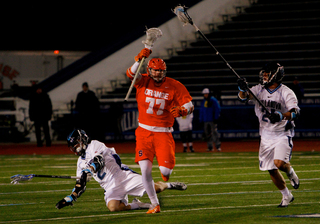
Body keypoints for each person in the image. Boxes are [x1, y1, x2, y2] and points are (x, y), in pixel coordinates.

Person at [126, 48, 193, 213]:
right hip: (144, 132)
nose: (157, 73)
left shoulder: (174, 85)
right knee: (145, 170)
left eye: (160, 71)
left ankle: (166, 183)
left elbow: (189, 104)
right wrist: (138, 59)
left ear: (165, 71)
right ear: (149, 69)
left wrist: (183, 111)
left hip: (163, 132)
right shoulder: (142, 81)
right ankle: (154, 204)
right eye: (154, 70)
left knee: (165, 171)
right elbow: (130, 74)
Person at [55, 129, 187, 212]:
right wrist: (70, 197)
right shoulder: (80, 162)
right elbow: (80, 185)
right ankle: (141, 205)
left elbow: (99, 160)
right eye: (73, 147)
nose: (75, 149)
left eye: (76, 145)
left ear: (82, 139)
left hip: (122, 176)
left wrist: (88, 170)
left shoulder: (94, 145)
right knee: (113, 207)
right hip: (110, 186)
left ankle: (169, 185)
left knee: (155, 188)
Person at [237, 62, 300, 207]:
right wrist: (242, 88)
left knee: (279, 163)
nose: (264, 76)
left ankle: (289, 171)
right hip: (265, 136)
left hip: (282, 133)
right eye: (263, 73)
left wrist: (281, 116)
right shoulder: (259, 89)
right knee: (270, 169)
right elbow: (243, 97)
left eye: (267, 73)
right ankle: (286, 195)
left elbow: (295, 112)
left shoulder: (286, 92)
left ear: (276, 74)